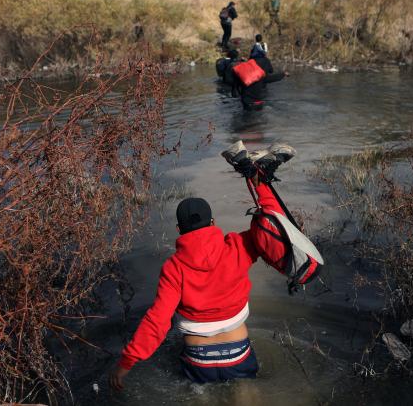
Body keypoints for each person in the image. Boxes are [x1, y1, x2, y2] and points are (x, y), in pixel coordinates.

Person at [109, 142, 318, 390]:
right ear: (213, 222)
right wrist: (257, 181)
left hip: (199, 360)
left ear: (179, 230)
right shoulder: (238, 246)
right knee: (246, 394)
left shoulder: (173, 268)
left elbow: (157, 321)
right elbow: (271, 225)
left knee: (199, 393)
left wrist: (126, 363)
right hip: (238, 352)